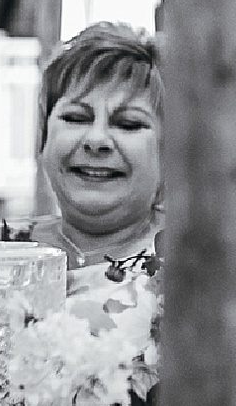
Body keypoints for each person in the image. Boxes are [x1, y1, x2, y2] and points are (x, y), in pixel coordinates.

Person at [26, 22, 166, 274]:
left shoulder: (201, 270)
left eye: (128, 123)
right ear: (44, 136)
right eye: (76, 118)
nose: (97, 140)